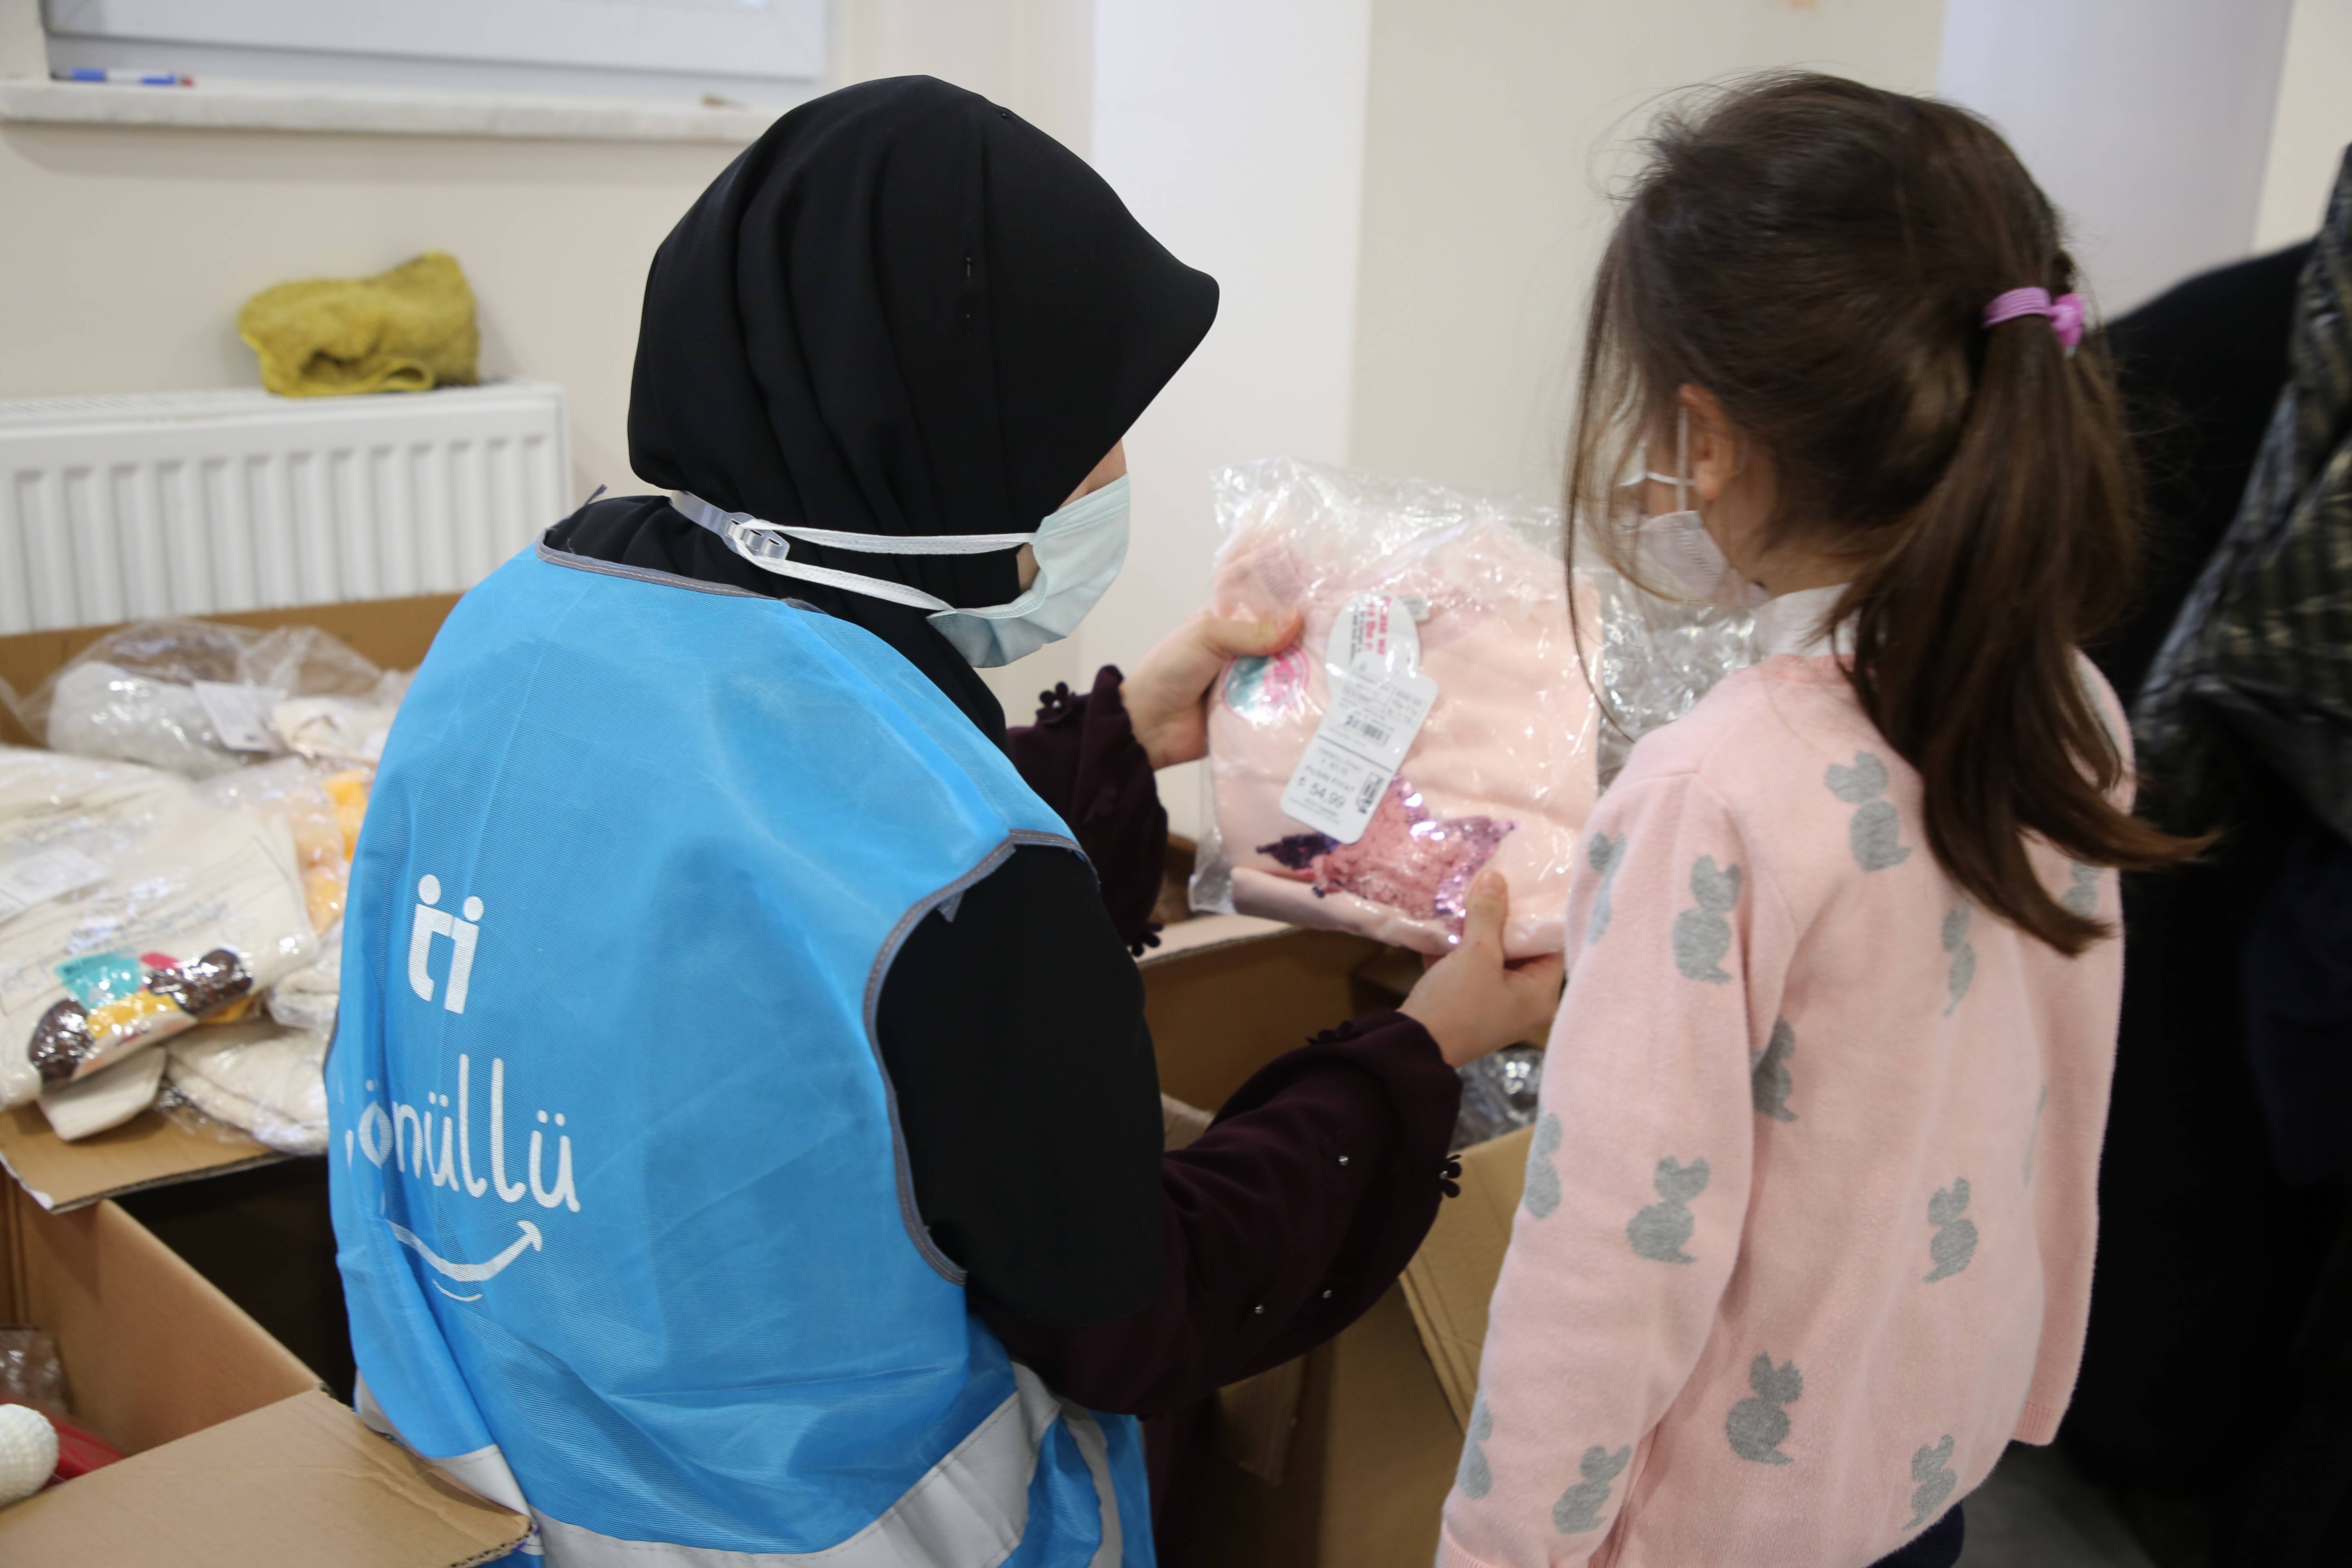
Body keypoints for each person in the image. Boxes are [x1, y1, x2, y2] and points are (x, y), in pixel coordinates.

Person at [325, 75, 1560, 1568]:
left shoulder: (516, 626)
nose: (1113, 476)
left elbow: (799, 893)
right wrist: (1418, 1053)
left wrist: (1116, 740)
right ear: (947, 430)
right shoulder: (971, 883)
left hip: (480, 1478)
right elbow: (1138, 1315)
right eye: (1088, 431)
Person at [1436, 75, 2200, 1568]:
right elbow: (2059, 1095)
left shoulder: (1716, 796)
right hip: (1919, 1461)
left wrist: (1497, 1553)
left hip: (1717, 1527)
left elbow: (1608, 1261)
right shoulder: (2071, 709)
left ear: (1707, 438)